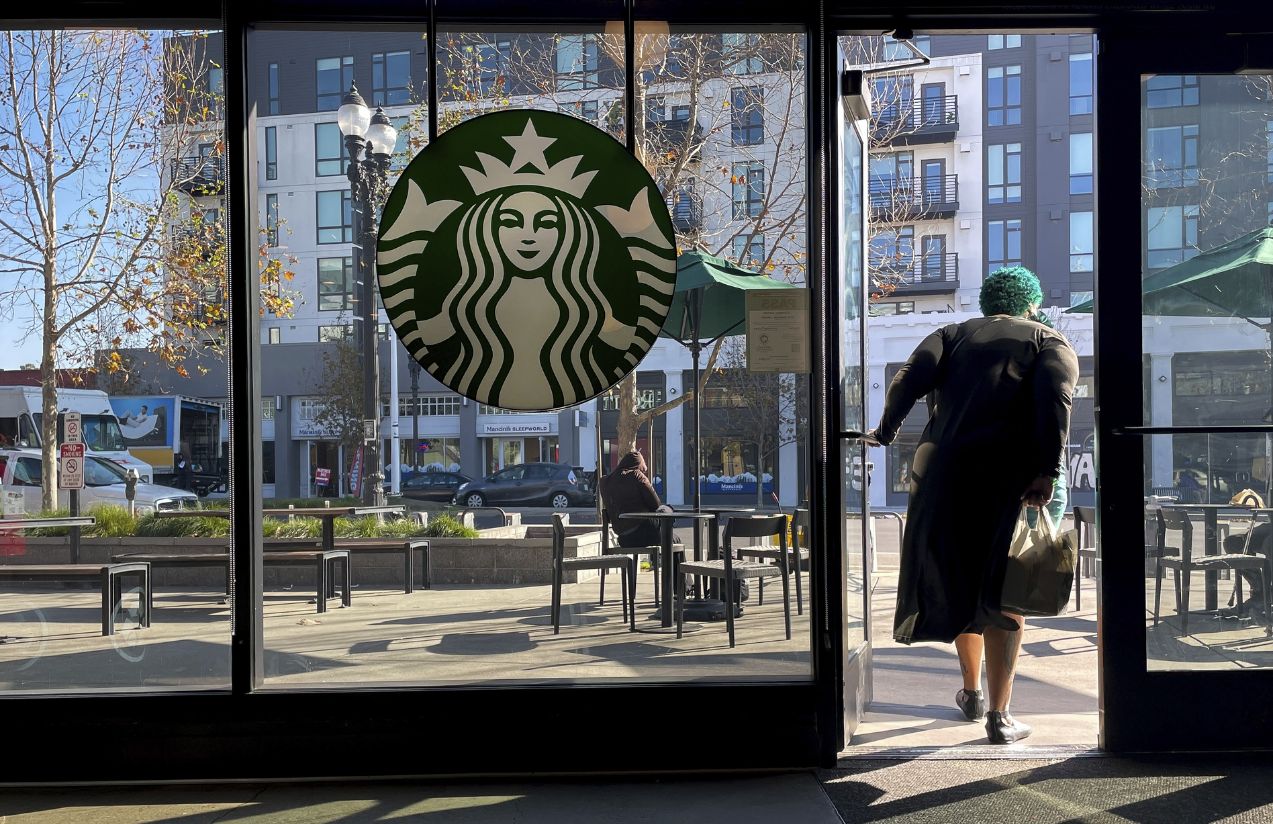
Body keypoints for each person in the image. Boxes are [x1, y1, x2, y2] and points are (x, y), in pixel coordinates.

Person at [865, 266, 1079, 745]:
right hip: (1011, 479)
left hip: (945, 476)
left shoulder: (951, 335)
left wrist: (885, 432)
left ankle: (972, 693)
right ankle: (1000, 715)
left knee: (962, 581)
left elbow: (906, 380)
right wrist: (1047, 471)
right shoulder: (1047, 340)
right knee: (1009, 587)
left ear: (987, 302)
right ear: (1031, 302)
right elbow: (1057, 400)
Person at [600, 450, 675, 548]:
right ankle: (664, 554)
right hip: (644, 533)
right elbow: (656, 505)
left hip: (623, 539)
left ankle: (660, 550)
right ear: (637, 467)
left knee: (667, 535)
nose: (643, 472)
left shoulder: (604, 482)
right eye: (643, 470)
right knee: (668, 510)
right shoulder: (636, 475)